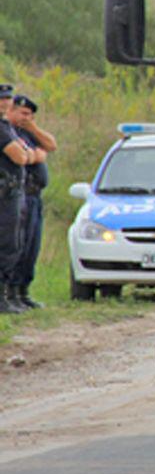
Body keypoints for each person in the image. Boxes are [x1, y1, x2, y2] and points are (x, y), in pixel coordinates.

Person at [8, 95, 54, 310]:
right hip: (19, 195)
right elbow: (24, 157)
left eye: (31, 115)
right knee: (18, 244)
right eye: (24, 114)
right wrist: (35, 155)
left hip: (34, 196)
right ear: (11, 110)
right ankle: (10, 291)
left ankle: (23, 291)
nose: (27, 118)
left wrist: (34, 128)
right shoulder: (8, 131)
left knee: (31, 246)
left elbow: (50, 145)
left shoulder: (27, 132)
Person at [0, 85, 38, 315]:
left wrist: (26, 153)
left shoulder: (7, 127)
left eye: (7, 99)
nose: (4, 103)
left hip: (13, 193)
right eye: (1, 100)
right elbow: (20, 156)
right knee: (6, 244)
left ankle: (8, 295)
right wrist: (26, 153)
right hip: (5, 193)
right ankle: (3, 297)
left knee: (15, 244)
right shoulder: (2, 130)